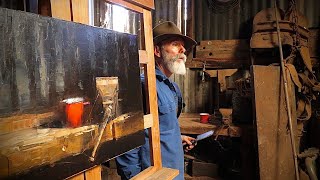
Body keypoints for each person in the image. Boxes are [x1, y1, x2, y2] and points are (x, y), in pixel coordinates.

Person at [116, 21, 197, 180]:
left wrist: (176, 139)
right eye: (175, 44)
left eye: (183, 46)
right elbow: (126, 141)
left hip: (174, 173)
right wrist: (134, 177)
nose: (183, 50)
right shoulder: (142, 85)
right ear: (156, 51)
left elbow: (160, 126)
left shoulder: (172, 87)